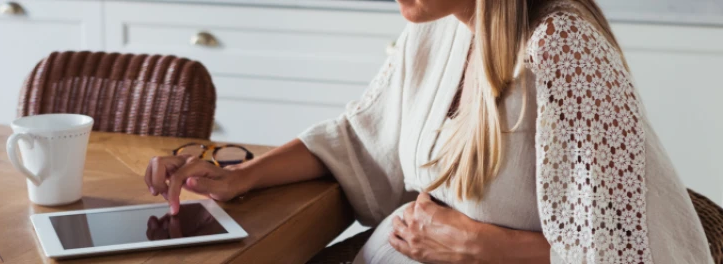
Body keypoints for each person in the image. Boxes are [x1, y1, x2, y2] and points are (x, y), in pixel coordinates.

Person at [143, 0, 713, 263]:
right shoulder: (437, 30)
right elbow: (362, 138)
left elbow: (622, 252)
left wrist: (482, 248)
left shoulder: (564, 48)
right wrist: (240, 176)